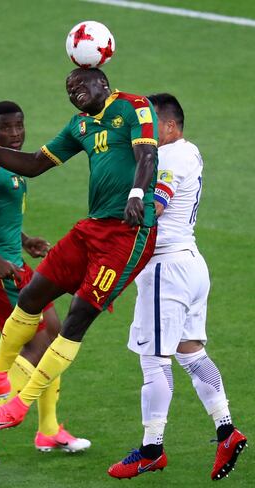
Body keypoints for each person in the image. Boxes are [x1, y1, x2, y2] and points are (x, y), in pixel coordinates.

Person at [0, 68, 158, 437]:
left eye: (81, 84)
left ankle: (21, 407)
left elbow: (146, 156)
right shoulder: (79, 126)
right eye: (68, 88)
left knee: (74, 317)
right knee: (32, 296)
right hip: (90, 227)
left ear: (104, 83)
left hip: (126, 234)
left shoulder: (134, 107)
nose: (74, 91)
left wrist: (137, 194)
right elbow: (33, 164)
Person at [108, 94, 247, 481]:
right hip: (190, 264)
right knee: (190, 352)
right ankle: (226, 429)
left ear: (169, 126)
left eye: (151, 124)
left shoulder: (168, 157)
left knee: (154, 360)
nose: (145, 131)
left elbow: (156, 207)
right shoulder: (192, 152)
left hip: (165, 269)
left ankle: (152, 449)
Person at [0, 100, 90, 465]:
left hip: (16, 264)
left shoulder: (12, 168)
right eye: (6, 129)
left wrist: (25, 241)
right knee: (35, 346)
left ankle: (49, 429)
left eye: (19, 126)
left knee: (56, 335)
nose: (14, 134)